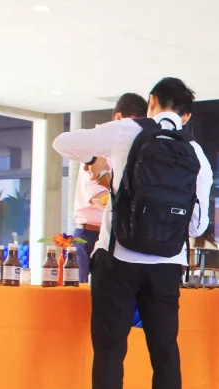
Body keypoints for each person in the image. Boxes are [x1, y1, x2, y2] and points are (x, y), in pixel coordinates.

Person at [53, 77, 213, 389]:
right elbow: (196, 226)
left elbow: (62, 143)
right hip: (166, 268)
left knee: (110, 353)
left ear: (152, 101)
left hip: (119, 259)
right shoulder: (196, 152)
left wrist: (96, 158)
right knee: (165, 353)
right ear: (186, 113)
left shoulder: (129, 131)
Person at [73, 93, 148, 283]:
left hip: (116, 234)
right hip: (89, 233)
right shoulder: (97, 152)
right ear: (118, 119)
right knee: (82, 290)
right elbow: (101, 200)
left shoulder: (126, 155)